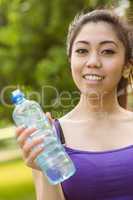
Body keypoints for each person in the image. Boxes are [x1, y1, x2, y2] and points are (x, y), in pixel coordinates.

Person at [16, 8, 133, 200]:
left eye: (107, 51)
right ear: (71, 60)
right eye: (82, 51)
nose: (93, 61)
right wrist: (44, 171)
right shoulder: (48, 138)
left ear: (127, 67)